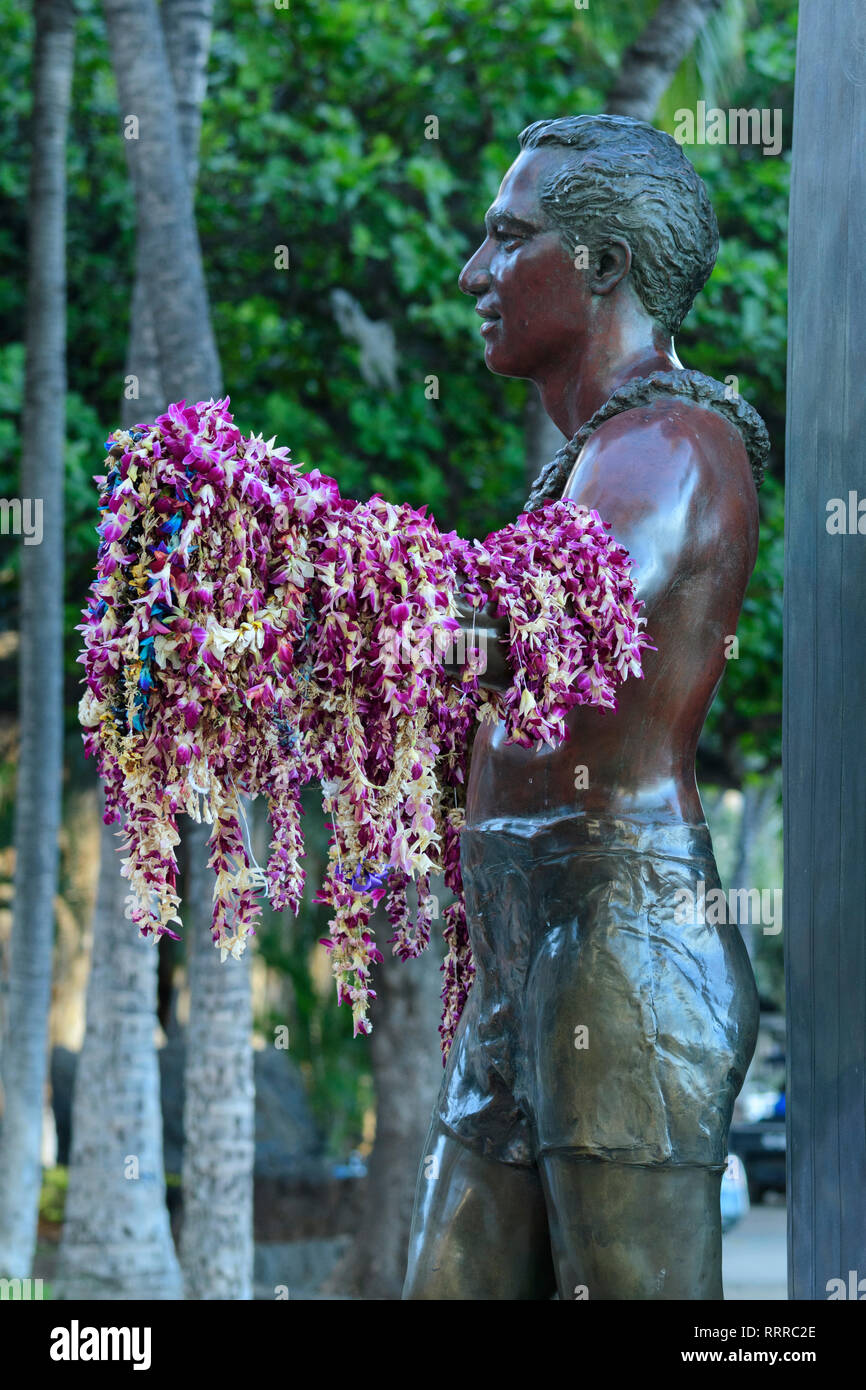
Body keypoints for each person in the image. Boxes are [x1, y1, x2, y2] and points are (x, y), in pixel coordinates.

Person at [402, 115, 769, 1301]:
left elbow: (531, 619)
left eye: (509, 239)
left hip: (622, 941)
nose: (474, 272)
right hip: (541, 940)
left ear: (603, 264)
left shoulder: (672, 440)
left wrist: (304, 567)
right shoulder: (595, 456)